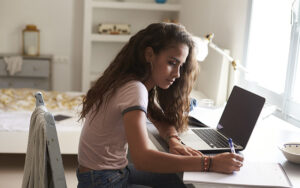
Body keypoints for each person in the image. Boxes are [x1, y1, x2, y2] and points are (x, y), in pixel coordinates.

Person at [77, 22, 244, 188]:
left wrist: (173, 139)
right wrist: (209, 162)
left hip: (101, 174)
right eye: (172, 62)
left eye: (181, 66)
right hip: (103, 181)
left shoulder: (128, 81)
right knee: (185, 182)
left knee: (180, 180)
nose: (177, 74)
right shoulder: (135, 89)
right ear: (149, 54)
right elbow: (143, 159)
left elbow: (159, 119)